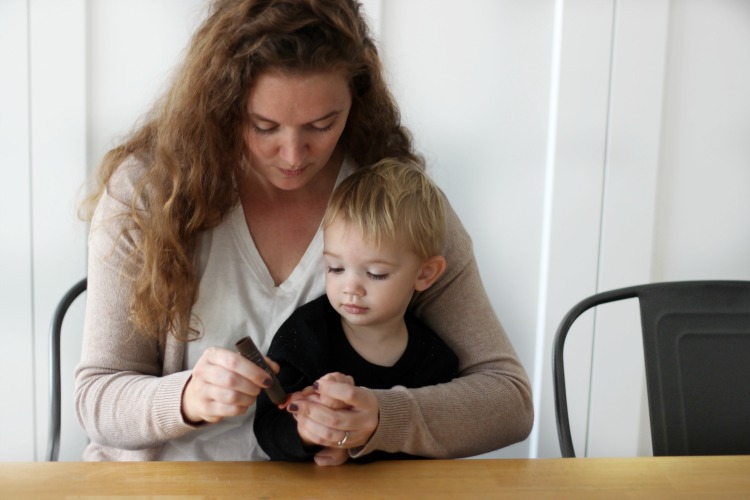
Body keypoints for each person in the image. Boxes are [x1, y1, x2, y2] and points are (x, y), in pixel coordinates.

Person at [75, 0, 533, 461]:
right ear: (222, 102)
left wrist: (381, 417)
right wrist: (186, 398)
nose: (293, 155)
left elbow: (507, 399)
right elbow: (96, 398)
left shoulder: (392, 202)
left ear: (356, 101)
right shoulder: (148, 192)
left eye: (322, 124)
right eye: (263, 125)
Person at [254, 159, 459, 465]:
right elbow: (269, 427)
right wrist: (312, 433)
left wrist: (360, 446)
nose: (351, 287)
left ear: (425, 273)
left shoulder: (436, 361)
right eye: (335, 268)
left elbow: (437, 442)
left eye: (375, 273)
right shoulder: (306, 334)